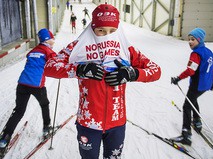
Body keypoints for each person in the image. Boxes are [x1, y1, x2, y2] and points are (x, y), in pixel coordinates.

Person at [44, 4, 161, 158]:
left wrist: (133, 73)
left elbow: (155, 70)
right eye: (101, 30)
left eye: (112, 31)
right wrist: (79, 69)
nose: (107, 35)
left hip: (116, 122)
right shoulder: (79, 46)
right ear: (92, 27)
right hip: (88, 122)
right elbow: (49, 67)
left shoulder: (126, 49)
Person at [0, 28, 57, 152]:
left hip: (22, 83)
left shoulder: (33, 51)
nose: (54, 40)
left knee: (18, 111)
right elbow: (56, 64)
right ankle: (47, 128)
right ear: (48, 40)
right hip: (37, 85)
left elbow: (31, 60)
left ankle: (4, 140)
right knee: (45, 104)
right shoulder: (49, 52)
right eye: (53, 38)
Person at [171, 28, 213, 146]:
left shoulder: (196, 54)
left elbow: (190, 71)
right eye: (189, 39)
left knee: (186, 106)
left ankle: (186, 134)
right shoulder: (208, 52)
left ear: (199, 40)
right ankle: (197, 122)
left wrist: (178, 78)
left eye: (193, 39)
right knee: (192, 99)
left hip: (197, 84)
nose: (190, 42)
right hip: (205, 85)